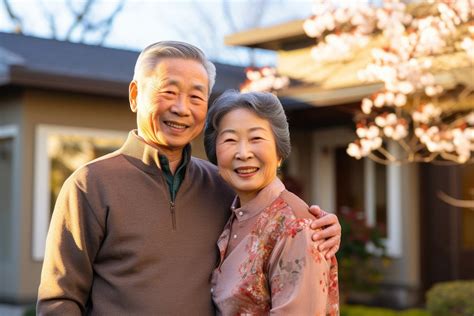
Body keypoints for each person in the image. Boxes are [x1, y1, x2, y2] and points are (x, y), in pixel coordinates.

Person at [37, 41, 341, 315]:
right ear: (135, 95)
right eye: (168, 92)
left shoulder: (222, 185)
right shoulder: (90, 184)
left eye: (196, 96)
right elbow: (59, 300)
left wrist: (319, 226)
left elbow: (275, 222)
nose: (182, 108)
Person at [204, 90, 339, 315]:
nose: (243, 153)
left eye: (256, 138)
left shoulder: (296, 227)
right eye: (230, 140)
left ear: (279, 152)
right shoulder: (233, 211)